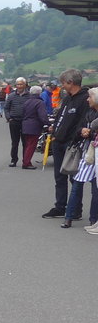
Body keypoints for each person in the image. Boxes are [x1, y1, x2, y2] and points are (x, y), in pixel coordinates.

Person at [42, 69, 89, 219]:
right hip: (58, 141)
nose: (62, 86)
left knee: (74, 178)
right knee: (59, 177)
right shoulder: (68, 98)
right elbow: (60, 117)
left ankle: (75, 209)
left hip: (72, 144)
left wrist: (73, 139)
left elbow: (82, 122)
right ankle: (60, 206)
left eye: (63, 83)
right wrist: (55, 130)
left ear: (70, 82)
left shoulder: (84, 99)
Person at [61, 86, 98, 228]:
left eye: (90, 97)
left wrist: (90, 134)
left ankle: (93, 220)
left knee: (95, 189)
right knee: (77, 185)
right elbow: (77, 129)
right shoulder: (88, 112)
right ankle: (69, 217)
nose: (87, 99)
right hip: (85, 152)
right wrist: (81, 131)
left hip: (94, 153)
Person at [4, 77, 33, 167]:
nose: (19, 86)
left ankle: (26, 161)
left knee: (26, 142)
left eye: (21, 84)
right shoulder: (11, 96)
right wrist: (9, 118)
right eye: (18, 84)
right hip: (14, 121)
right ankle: (14, 160)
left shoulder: (30, 96)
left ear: (25, 85)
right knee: (14, 142)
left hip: (25, 122)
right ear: (16, 85)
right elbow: (6, 108)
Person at [20, 85, 48, 168]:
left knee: (27, 144)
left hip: (25, 125)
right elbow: (42, 116)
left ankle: (26, 161)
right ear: (39, 93)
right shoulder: (40, 103)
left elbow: (22, 113)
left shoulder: (26, 102)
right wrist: (48, 123)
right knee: (31, 145)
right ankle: (26, 163)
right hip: (34, 126)